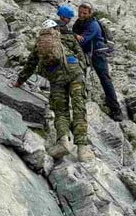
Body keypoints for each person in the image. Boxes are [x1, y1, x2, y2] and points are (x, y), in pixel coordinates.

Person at [11, 19, 94, 162]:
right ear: (57, 28)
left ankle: (63, 142)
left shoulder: (40, 44)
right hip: (75, 75)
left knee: (61, 111)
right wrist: (78, 68)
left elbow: (30, 65)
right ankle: (82, 150)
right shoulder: (68, 37)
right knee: (79, 108)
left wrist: (19, 82)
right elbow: (81, 57)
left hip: (56, 79)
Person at [73, 2, 123, 121]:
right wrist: (74, 35)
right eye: (80, 12)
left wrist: (73, 37)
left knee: (105, 79)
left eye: (84, 13)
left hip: (97, 54)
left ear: (90, 13)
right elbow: (76, 35)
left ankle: (116, 109)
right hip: (87, 53)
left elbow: (83, 41)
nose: (81, 14)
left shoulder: (93, 25)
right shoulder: (79, 22)